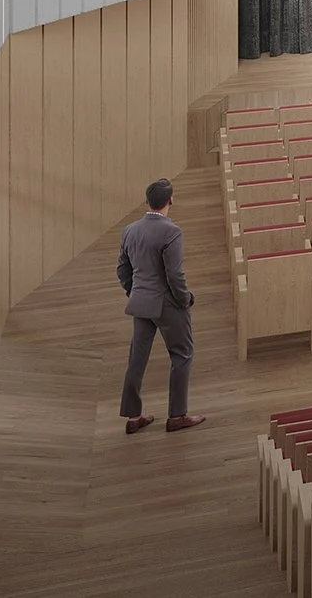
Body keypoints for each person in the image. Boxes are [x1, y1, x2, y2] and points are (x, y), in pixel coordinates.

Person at [116, 177, 202, 434]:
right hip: (167, 303)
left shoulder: (129, 230)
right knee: (182, 354)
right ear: (170, 201)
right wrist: (184, 299)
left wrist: (135, 291)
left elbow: (122, 269)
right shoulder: (171, 231)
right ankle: (177, 416)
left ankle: (133, 417)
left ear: (147, 201)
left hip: (140, 301)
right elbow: (175, 275)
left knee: (137, 359)